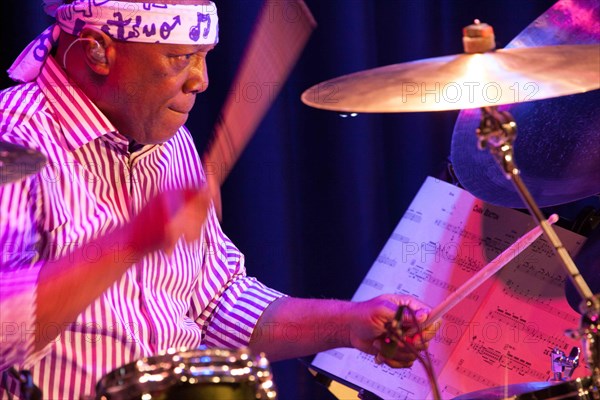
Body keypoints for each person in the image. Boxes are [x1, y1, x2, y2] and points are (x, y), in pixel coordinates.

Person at [0, 0, 436, 398]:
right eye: (180, 58)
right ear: (98, 51)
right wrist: (136, 238)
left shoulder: (169, 142)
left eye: (204, 56)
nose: (201, 80)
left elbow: (219, 306)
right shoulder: (15, 140)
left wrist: (350, 325)